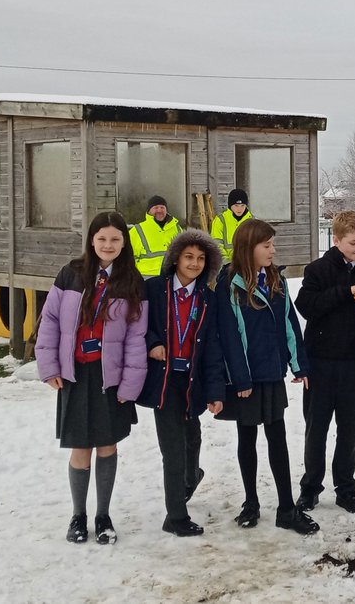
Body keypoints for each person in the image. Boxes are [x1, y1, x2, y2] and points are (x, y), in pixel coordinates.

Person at [34, 211, 148, 545]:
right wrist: (49, 366)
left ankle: (103, 515)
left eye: (115, 239)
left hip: (109, 377)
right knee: (80, 446)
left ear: (123, 242)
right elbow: (50, 320)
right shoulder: (70, 274)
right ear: (91, 240)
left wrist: (129, 384)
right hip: (75, 375)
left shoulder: (132, 281)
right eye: (102, 239)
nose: (108, 245)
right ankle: (78, 516)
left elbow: (135, 337)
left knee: (107, 445)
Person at [215, 219, 318, 534]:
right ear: (249, 248)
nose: (273, 251)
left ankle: (286, 508)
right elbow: (229, 335)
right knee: (247, 438)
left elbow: (290, 324)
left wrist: (299, 365)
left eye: (273, 244)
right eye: (267, 245)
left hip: (272, 373)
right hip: (246, 378)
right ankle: (251, 503)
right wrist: (241, 379)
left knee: (278, 438)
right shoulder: (229, 284)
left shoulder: (277, 281)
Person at [294, 210, 355, 515]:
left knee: (349, 427)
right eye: (352, 243)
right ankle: (310, 488)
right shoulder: (318, 270)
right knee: (316, 427)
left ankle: (346, 488)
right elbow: (307, 306)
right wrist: (345, 292)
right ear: (336, 240)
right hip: (320, 362)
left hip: (354, 363)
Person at [137, 229, 225, 537]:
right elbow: (138, 326)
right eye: (188, 257)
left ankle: (190, 478)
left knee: (192, 435)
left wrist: (215, 392)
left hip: (192, 382)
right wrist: (152, 342)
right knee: (172, 449)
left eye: (201, 259)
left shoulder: (207, 299)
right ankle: (175, 516)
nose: (194, 264)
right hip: (163, 381)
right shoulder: (154, 290)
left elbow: (213, 348)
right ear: (175, 259)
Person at [131, 195, 183, 277]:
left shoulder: (177, 228)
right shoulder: (137, 230)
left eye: (162, 207)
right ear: (148, 211)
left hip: (172, 276)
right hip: (146, 278)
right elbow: (129, 257)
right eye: (155, 207)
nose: (159, 210)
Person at [211, 188, 253, 263]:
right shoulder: (220, 220)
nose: (239, 209)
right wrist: (226, 263)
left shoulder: (252, 221)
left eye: (242, 205)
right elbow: (216, 245)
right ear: (230, 205)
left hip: (248, 264)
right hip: (226, 265)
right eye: (236, 205)